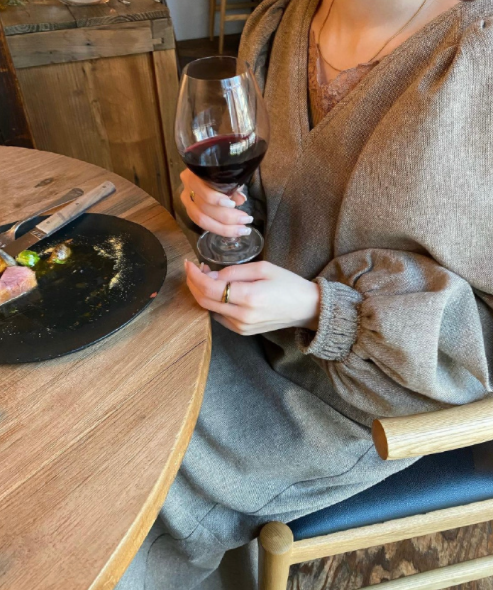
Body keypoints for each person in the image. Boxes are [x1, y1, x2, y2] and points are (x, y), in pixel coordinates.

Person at [117, 0, 493, 588]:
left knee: (132, 482)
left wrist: (327, 312)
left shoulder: (481, 63)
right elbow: (269, 198)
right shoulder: (280, 26)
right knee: (105, 390)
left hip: (364, 400)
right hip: (247, 331)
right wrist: (220, 205)